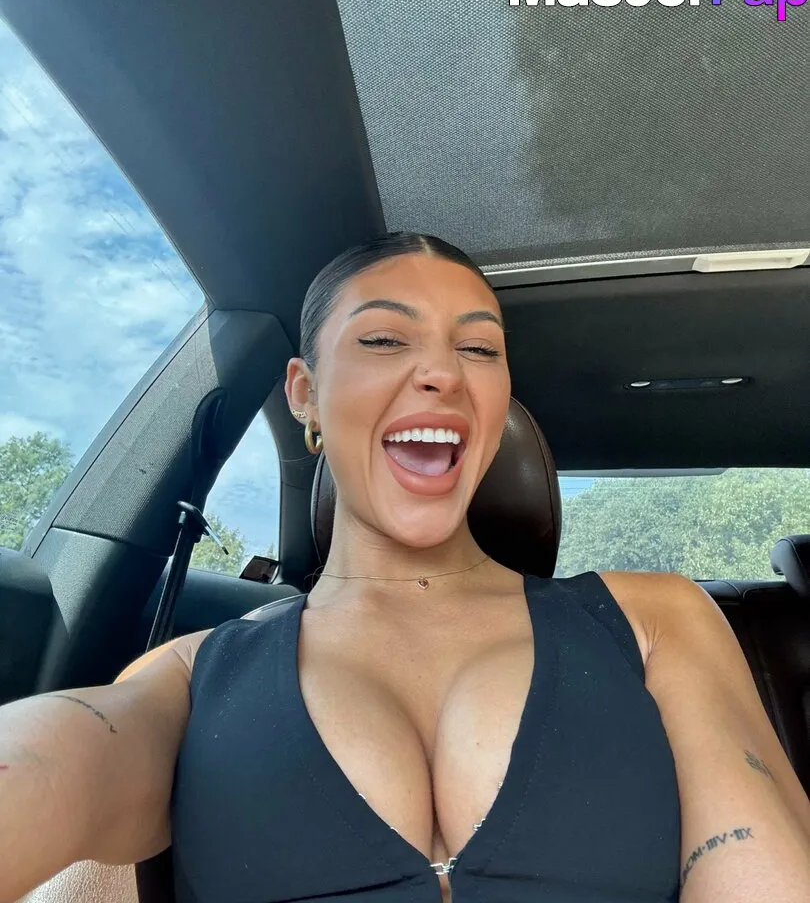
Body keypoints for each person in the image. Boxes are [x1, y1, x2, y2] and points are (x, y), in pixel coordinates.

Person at [2, 232, 810, 903]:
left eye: (479, 348)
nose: (444, 373)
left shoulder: (656, 620)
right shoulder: (187, 678)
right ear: (305, 393)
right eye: (385, 339)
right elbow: (49, 766)